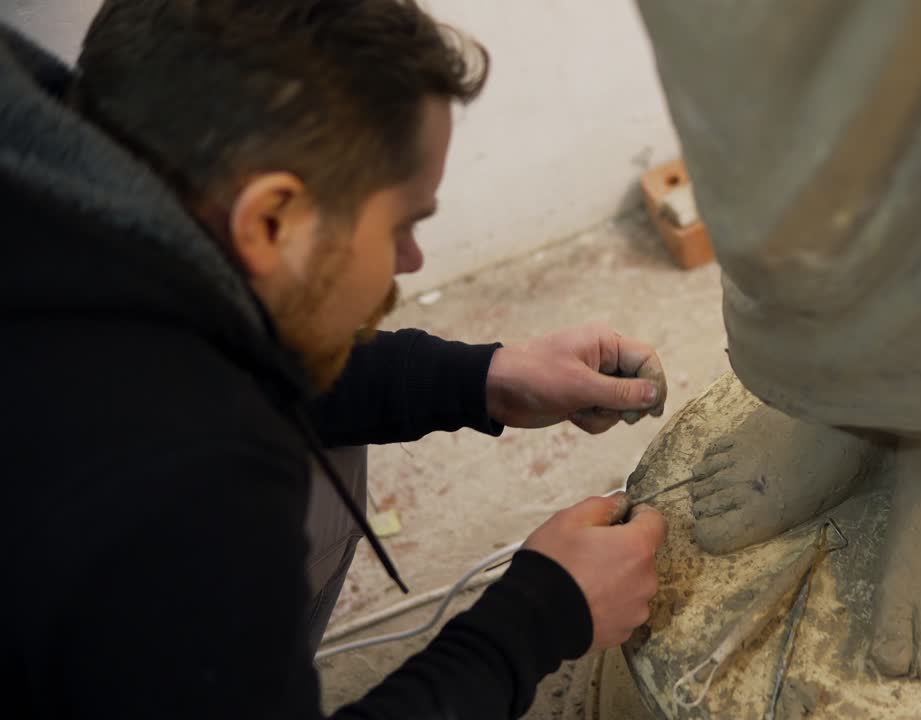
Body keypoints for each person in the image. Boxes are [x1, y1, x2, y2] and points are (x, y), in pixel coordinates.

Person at [0, 2, 669, 718]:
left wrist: (486, 378)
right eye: (403, 224)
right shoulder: (187, 479)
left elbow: (251, 338)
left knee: (330, 447)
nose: (410, 261)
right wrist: (542, 615)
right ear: (269, 220)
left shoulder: (47, 144)